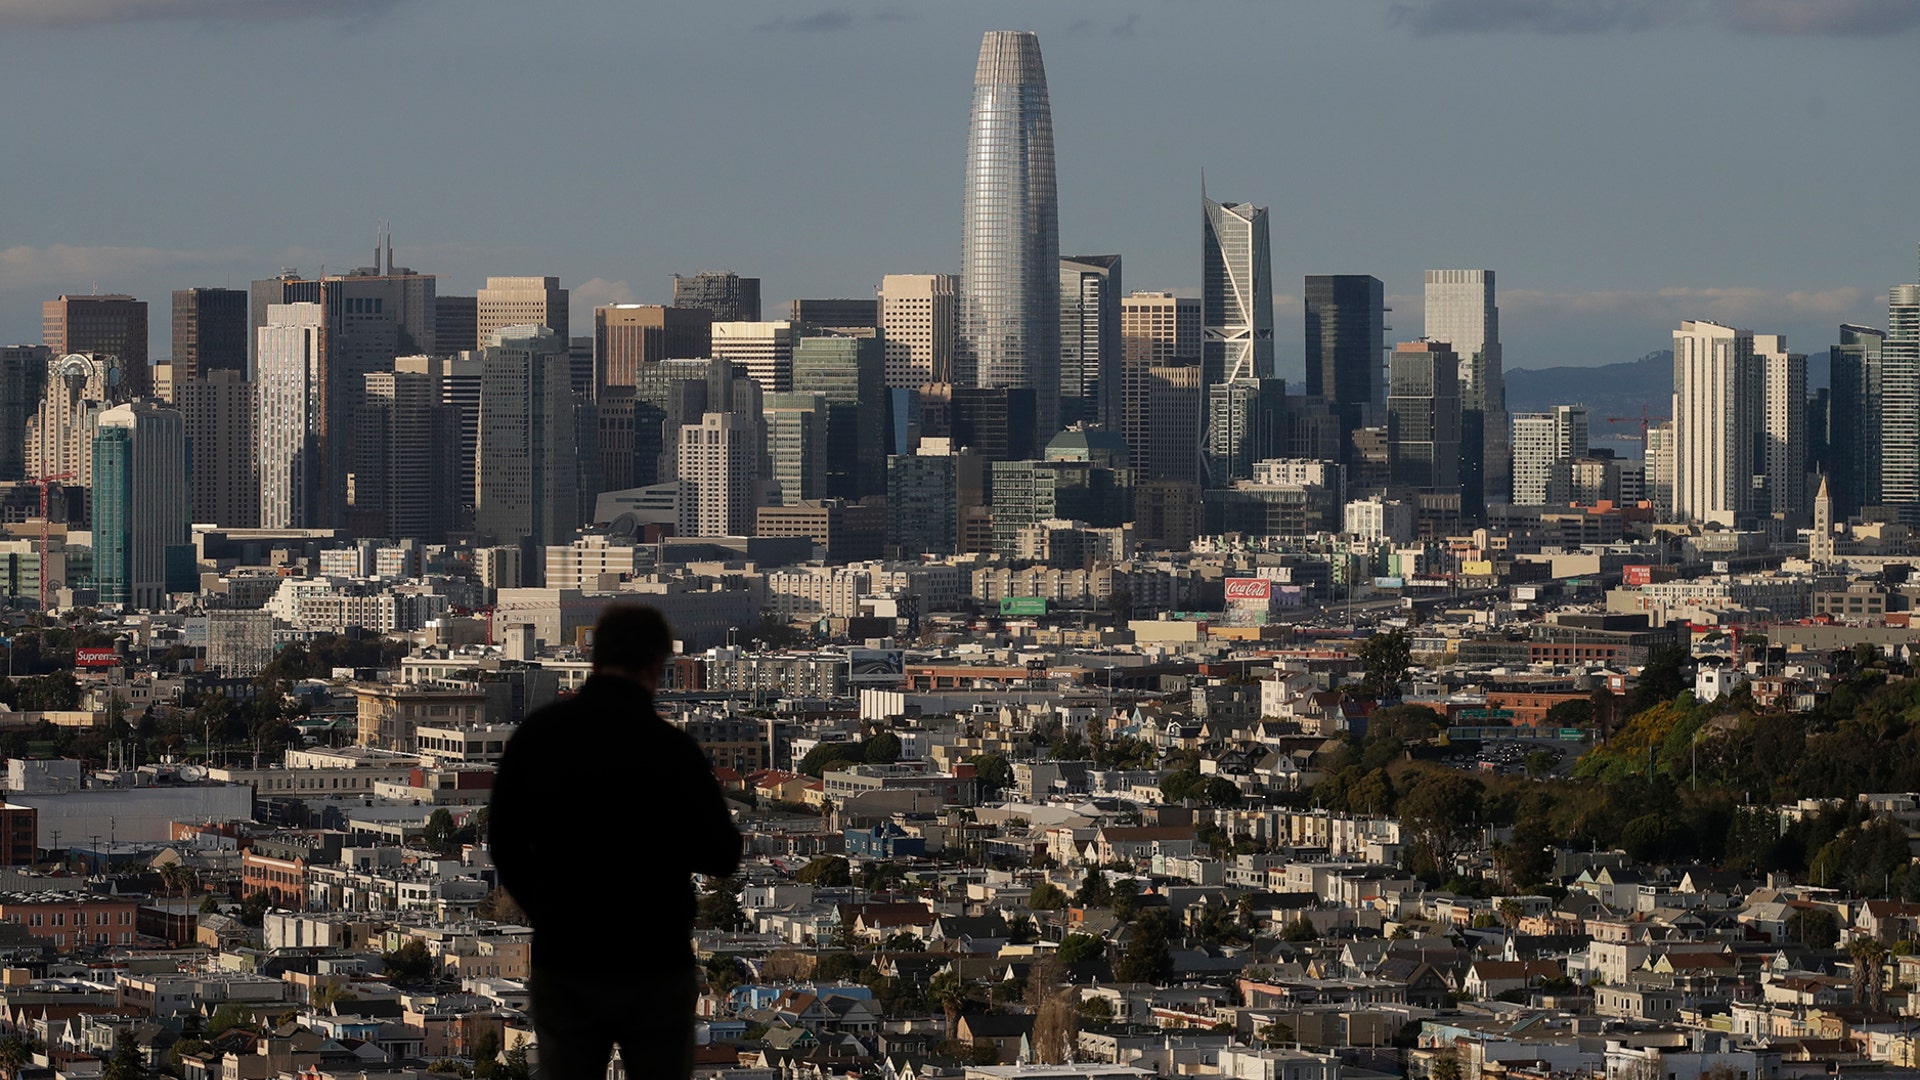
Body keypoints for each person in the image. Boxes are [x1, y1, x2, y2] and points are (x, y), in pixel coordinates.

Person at [489, 605, 742, 1080]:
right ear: (657, 665)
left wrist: (547, 910)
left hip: (567, 954)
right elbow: (723, 854)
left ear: (591, 656)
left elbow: (503, 843)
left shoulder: (540, 737)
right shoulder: (672, 750)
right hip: (654, 956)